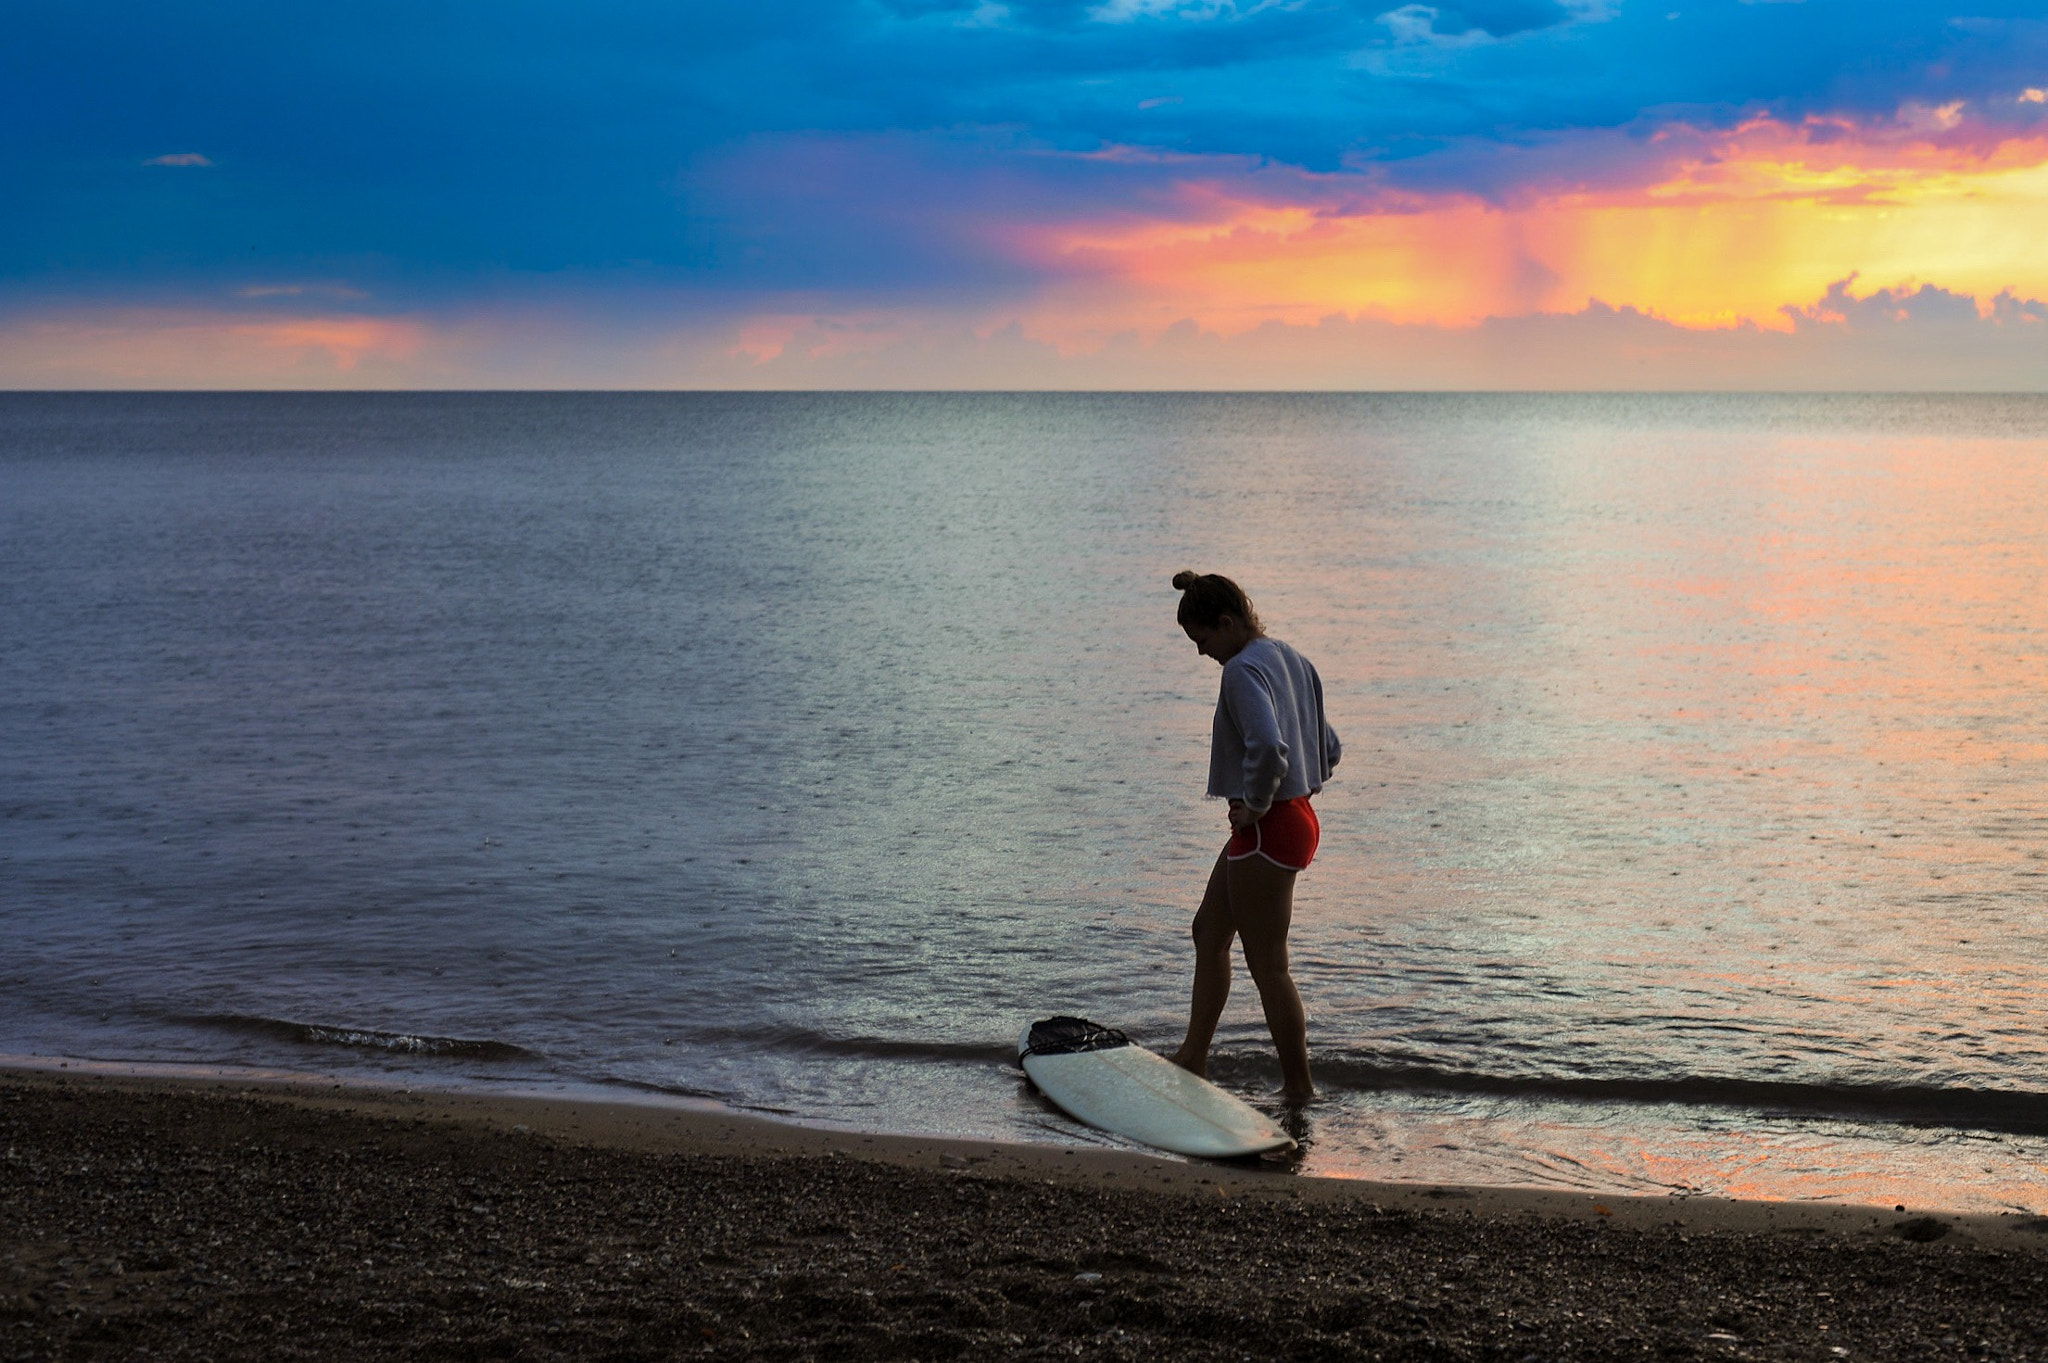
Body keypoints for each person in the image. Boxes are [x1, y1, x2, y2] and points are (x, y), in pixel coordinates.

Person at [1166, 570, 1340, 1105]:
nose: (1201, 654)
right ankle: (1193, 1057)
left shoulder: (1241, 671)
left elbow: (1266, 745)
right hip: (1292, 818)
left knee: (1269, 967)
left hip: (1267, 826)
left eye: (1202, 641)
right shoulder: (1290, 657)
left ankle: (1299, 1087)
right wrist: (1292, 792)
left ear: (1226, 622)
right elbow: (1328, 747)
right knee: (1208, 934)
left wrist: (1260, 803)